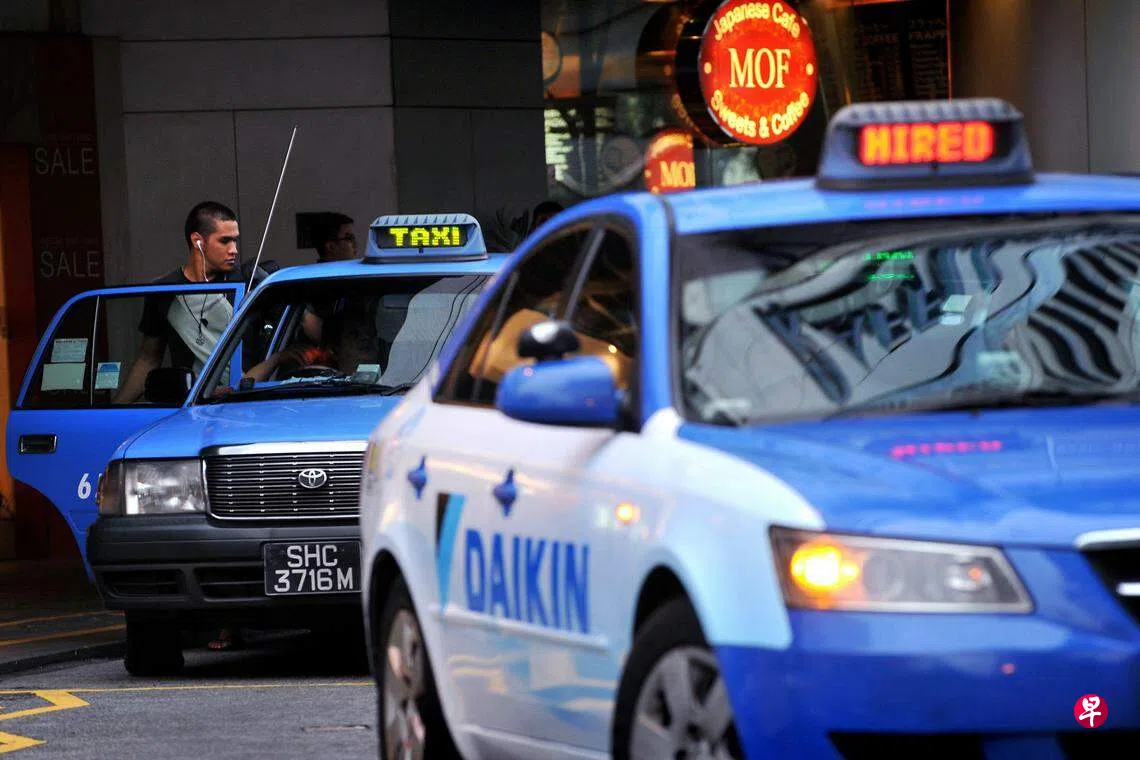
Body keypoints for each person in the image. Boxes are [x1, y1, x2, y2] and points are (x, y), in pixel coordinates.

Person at [114, 201, 260, 404]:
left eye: (235, 240)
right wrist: (114, 408)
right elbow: (148, 358)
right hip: (192, 404)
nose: (234, 249)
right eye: (225, 241)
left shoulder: (247, 283)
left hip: (246, 400)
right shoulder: (164, 291)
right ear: (197, 241)